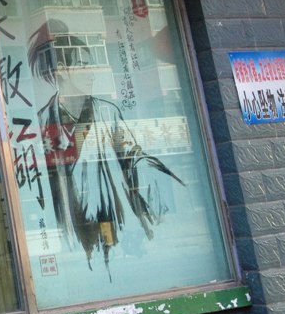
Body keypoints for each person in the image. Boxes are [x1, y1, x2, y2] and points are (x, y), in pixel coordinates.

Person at [27, 19, 183, 274]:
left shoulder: (107, 113)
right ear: (63, 70)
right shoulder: (44, 120)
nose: (92, 72)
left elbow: (132, 155)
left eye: (92, 65)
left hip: (111, 212)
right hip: (71, 220)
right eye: (84, 65)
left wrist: (156, 181)